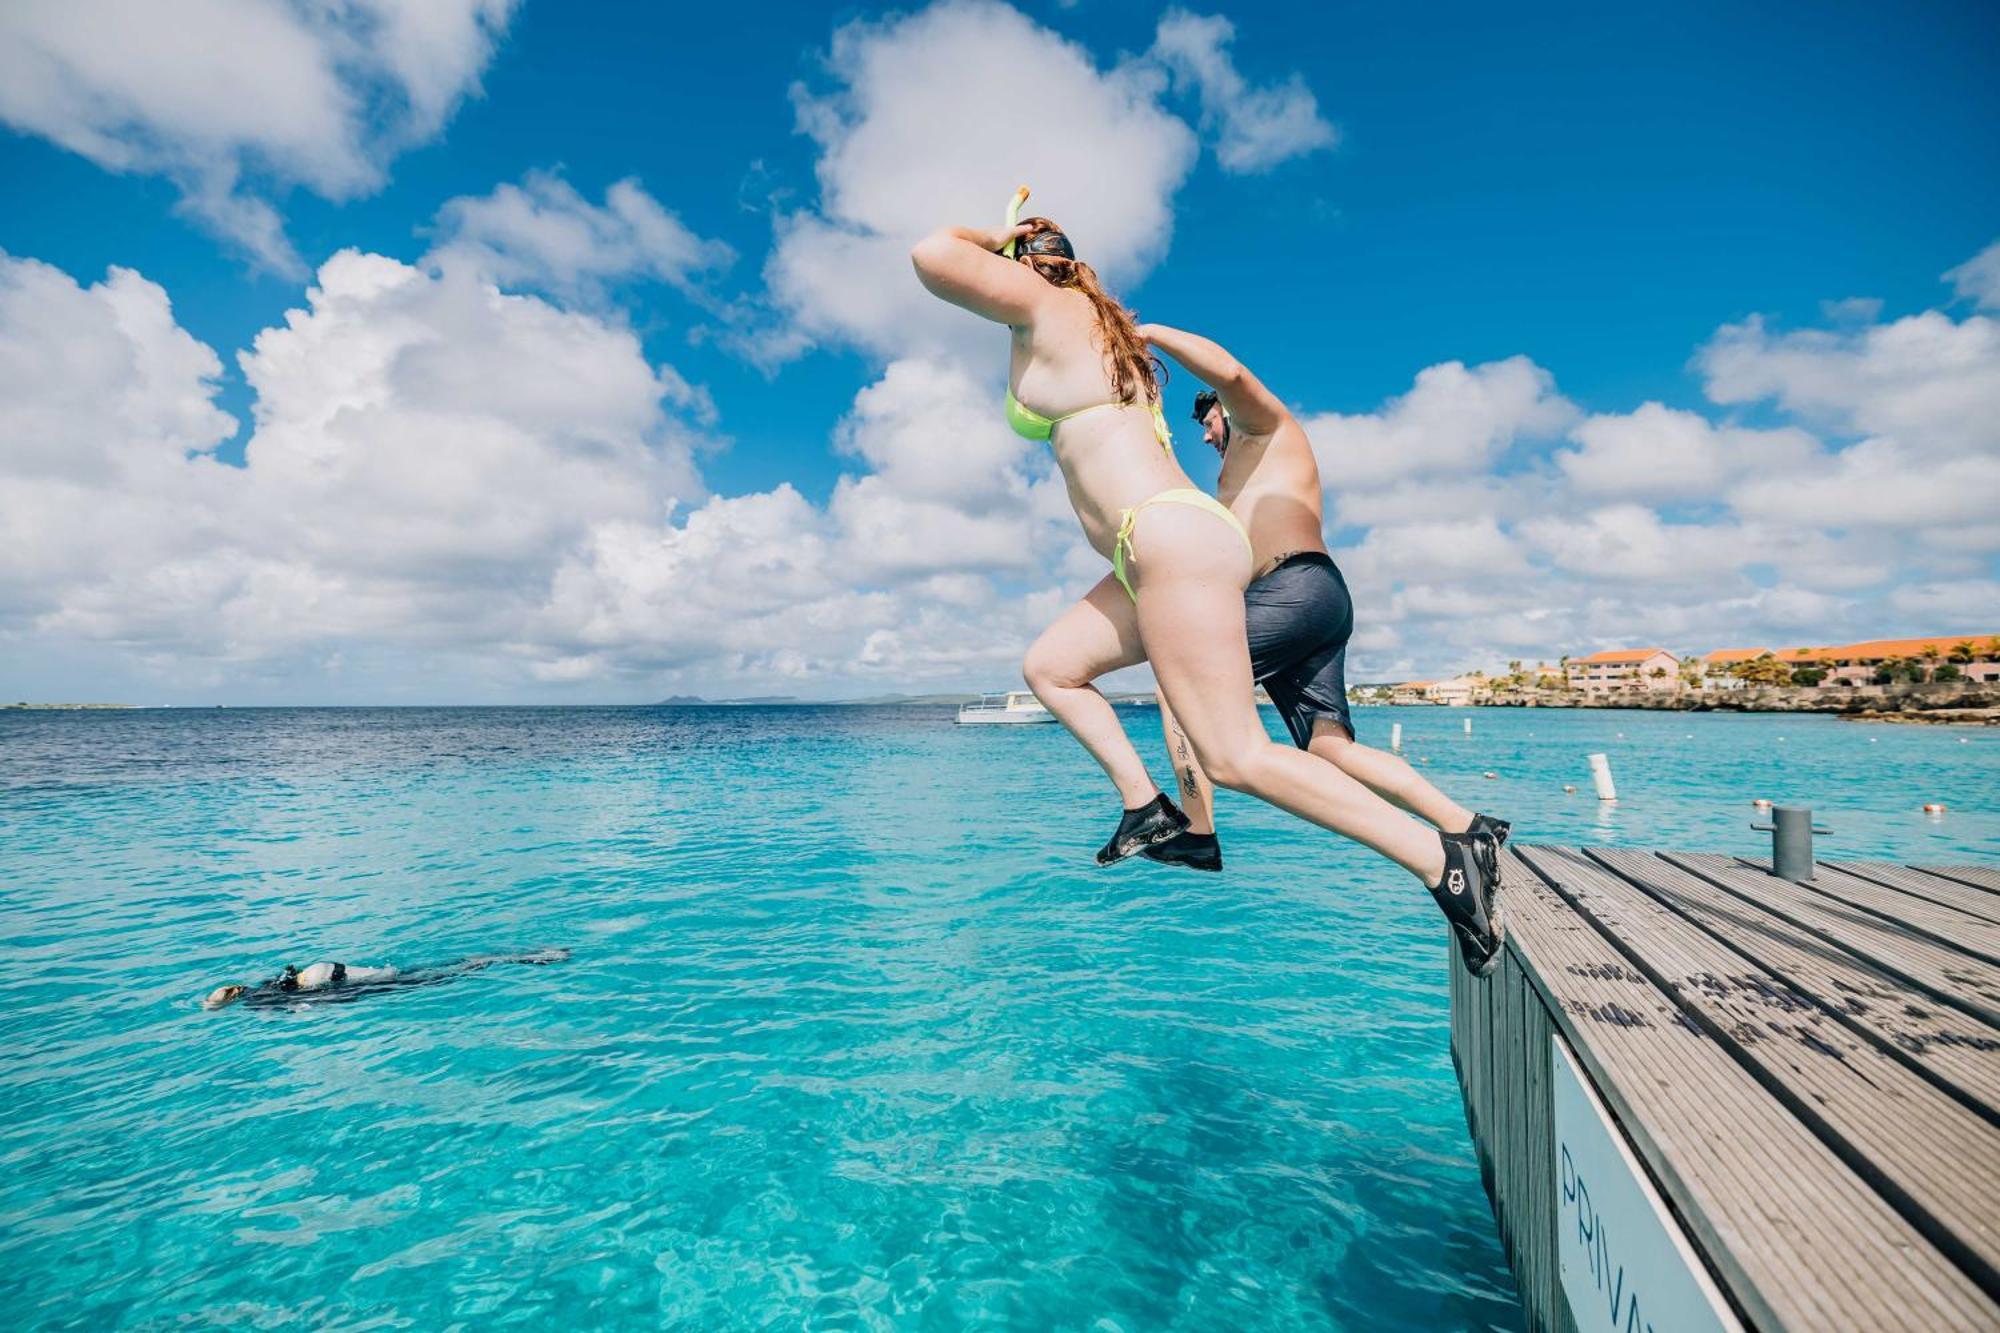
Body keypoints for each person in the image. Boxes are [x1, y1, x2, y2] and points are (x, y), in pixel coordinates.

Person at [910, 206, 1504, 974]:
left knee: (1236, 756)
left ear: (1028, 263)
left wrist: (993, 235)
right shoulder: (1099, 340)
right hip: (1151, 547)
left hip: (1169, 538)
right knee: (1053, 665)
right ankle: (1145, 805)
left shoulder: (1051, 305)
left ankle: (1443, 861)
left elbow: (931, 255)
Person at [1025, 322, 1509, 883]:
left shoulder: (1268, 428)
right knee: (1331, 750)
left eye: (1207, 423)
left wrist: (1145, 333)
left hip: (1292, 586)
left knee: (1178, 683)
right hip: (1317, 599)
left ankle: (1197, 833)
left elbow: (1229, 373)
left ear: (1226, 411)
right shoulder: (1235, 475)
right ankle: (1473, 828)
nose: (1205, 437)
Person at [201, 948, 571, 1010]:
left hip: (339, 979)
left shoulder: (260, 1003)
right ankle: (497, 960)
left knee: (432, 980)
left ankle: (507, 961)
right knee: (423, 975)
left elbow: (310, 1005)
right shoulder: (264, 987)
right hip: (333, 971)